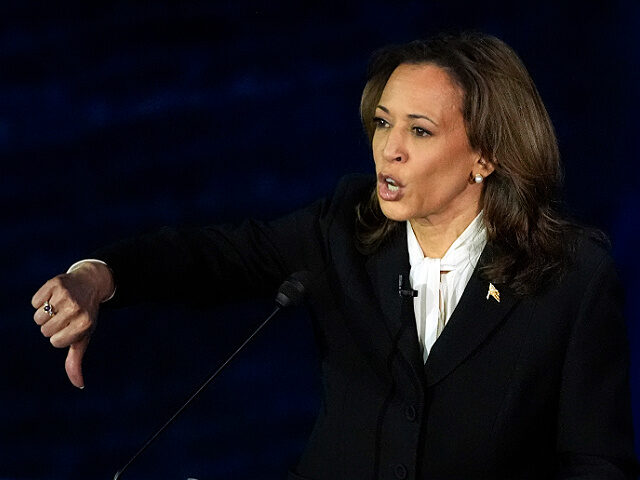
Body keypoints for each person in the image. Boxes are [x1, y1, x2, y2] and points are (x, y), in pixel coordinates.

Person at [32, 32, 637, 479]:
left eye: (419, 131)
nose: (388, 151)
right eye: (382, 123)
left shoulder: (568, 275)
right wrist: (98, 276)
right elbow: (214, 256)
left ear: (486, 156)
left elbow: (595, 462)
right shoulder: (344, 231)